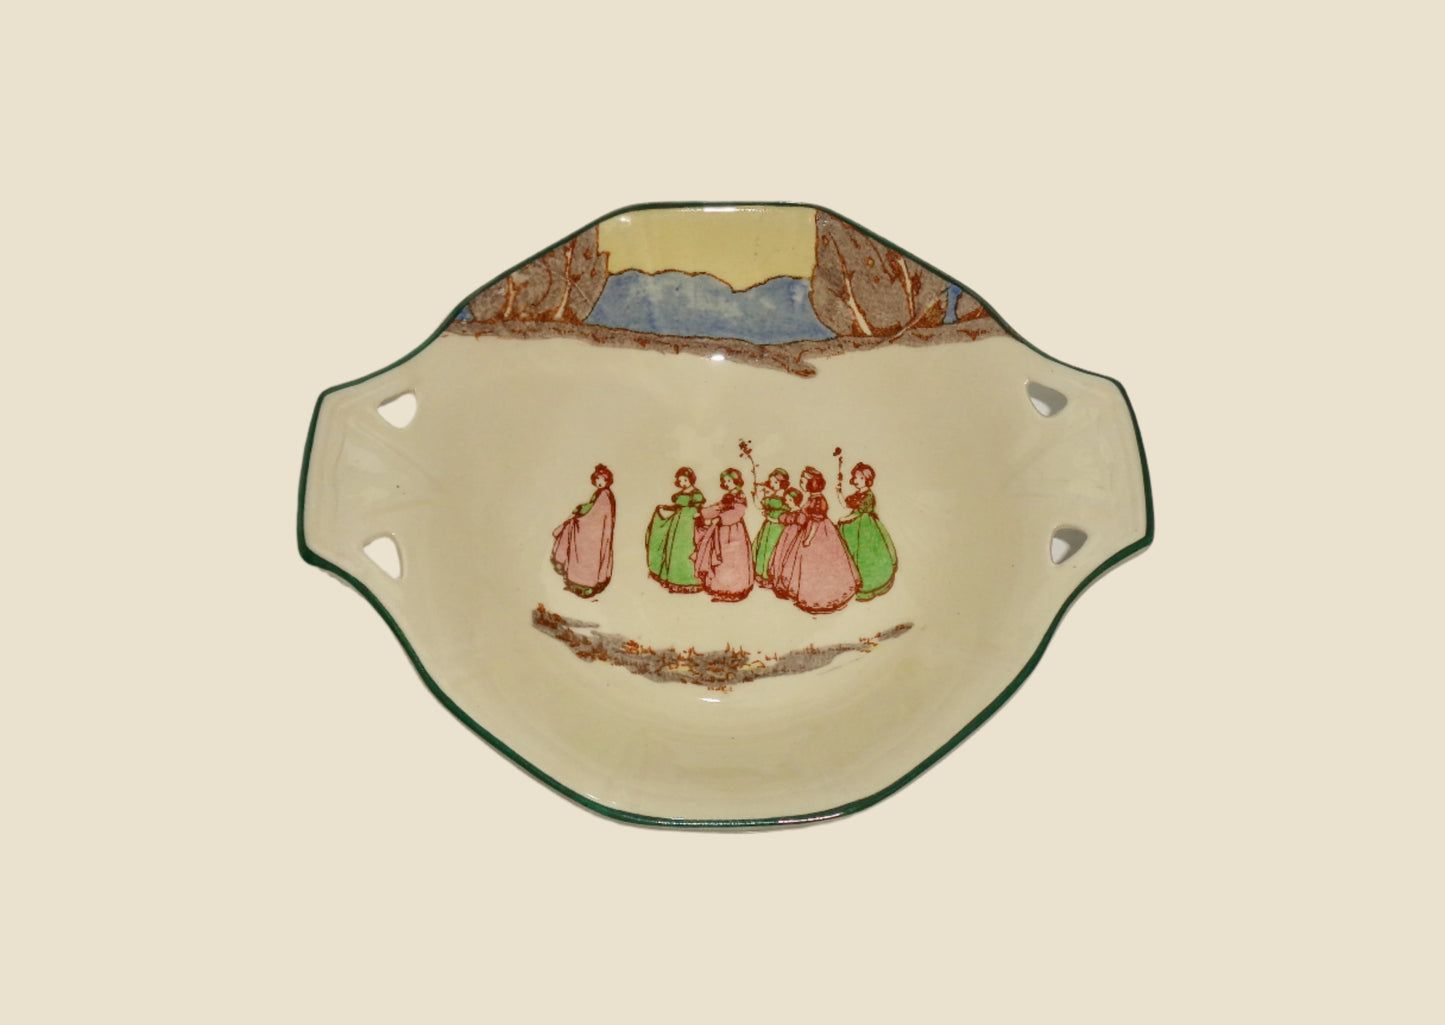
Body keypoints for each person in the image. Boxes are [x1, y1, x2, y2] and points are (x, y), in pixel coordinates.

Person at [775, 467, 859, 614]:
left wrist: (808, 538)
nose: (800, 483)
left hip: (818, 533)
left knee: (819, 565)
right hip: (812, 530)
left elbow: (814, 521)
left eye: (803, 481)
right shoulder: (812, 498)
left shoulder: (817, 500)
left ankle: (820, 599)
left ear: (812, 483)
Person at [550, 464, 616, 597]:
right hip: (594, 532)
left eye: (602, 479)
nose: (599, 482)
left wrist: (578, 511)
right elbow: (591, 508)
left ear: (607, 480)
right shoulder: (602, 493)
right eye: (597, 479)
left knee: (588, 553)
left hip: (595, 533)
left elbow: (594, 512)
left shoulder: (604, 495)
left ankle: (585, 583)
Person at [839, 462, 898, 601]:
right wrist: (839, 491)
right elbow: (845, 505)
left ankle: (867, 584)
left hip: (865, 527)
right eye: (855, 477)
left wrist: (845, 518)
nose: (856, 480)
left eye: (860, 478)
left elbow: (860, 513)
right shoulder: (857, 494)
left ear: (867, 479)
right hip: (853, 526)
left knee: (865, 554)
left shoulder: (869, 496)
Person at [692, 468, 753, 601]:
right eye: (725, 481)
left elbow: (738, 512)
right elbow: (718, 507)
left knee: (732, 560)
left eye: (729, 481)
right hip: (721, 531)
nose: (726, 483)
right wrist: (702, 513)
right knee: (721, 560)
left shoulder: (740, 495)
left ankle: (734, 591)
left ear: (736, 481)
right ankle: (720, 589)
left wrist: (720, 519)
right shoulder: (727, 496)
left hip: (734, 531)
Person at [645, 467, 705, 593]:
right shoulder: (680, 494)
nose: (683, 483)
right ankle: (673, 579)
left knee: (687, 550)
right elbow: (676, 507)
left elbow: (699, 508)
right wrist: (665, 507)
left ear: (691, 479)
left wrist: (699, 517)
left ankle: (689, 581)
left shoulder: (696, 494)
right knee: (673, 549)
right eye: (680, 481)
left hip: (689, 524)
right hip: (677, 523)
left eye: (685, 480)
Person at [752, 468, 791, 589]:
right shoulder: (773, 494)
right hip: (768, 525)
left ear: (782, 483)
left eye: (775, 482)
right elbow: (762, 506)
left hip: (778, 527)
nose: (772, 484)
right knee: (763, 548)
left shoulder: (784, 495)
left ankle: (769, 576)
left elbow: (787, 509)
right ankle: (761, 574)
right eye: (771, 481)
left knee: (772, 550)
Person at [767, 487, 806, 600]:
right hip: (786, 536)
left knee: (789, 560)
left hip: (794, 538)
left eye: (789, 500)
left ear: (795, 500)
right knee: (780, 556)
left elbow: (801, 522)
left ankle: (786, 585)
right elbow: (782, 519)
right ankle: (779, 584)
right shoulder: (790, 513)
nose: (787, 502)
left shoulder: (800, 513)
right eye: (786, 499)